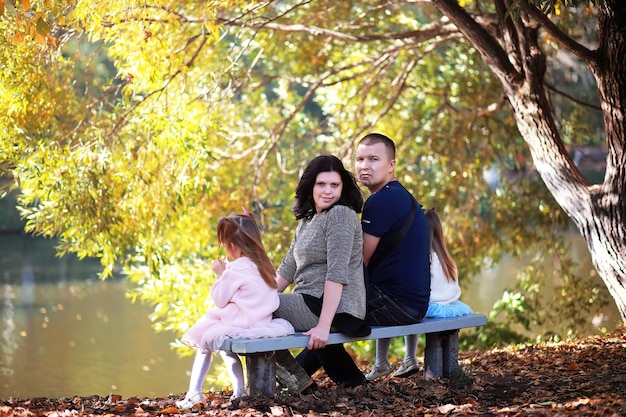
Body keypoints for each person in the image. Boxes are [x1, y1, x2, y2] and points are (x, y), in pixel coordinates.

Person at [296, 133, 432, 386]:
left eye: (373, 159)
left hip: (396, 302)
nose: (364, 166)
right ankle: (299, 377)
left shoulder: (381, 202)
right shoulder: (399, 195)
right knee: (323, 307)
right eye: (359, 159)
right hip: (410, 301)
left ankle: (343, 382)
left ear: (391, 165)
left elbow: (356, 263)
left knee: (320, 308)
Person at [272, 154, 371, 392]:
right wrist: (258, 296)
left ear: (343, 187)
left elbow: (337, 273)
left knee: (251, 313)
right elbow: (287, 268)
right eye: (321, 184)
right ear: (310, 186)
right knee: (250, 309)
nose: (328, 191)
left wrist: (324, 325)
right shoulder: (308, 220)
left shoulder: (341, 215)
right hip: (309, 301)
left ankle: (298, 381)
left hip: (335, 307)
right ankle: (341, 381)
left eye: (334, 185)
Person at [176, 212, 294, 409]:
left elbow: (220, 300)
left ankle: (195, 392)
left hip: (241, 322)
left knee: (206, 341)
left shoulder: (235, 269)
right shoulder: (264, 265)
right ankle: (238, 391)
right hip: (262, 322)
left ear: (233, 246)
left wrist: (220, 274)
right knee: (223, 346)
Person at [366, 207, 474, 380]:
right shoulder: (446, 258)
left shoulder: (424, 258)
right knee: (409, 306)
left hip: (430, 306)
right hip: (448, 305)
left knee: (390, 305)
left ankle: (382, 362)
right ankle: (409, 358)